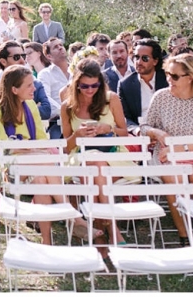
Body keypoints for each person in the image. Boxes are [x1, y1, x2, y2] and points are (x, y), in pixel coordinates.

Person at [139, 54, 193, 247]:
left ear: (190, 77)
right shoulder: (161, 97)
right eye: (168, 74)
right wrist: (156, 132)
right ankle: (185, 237)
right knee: (174, 178)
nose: (169, 79)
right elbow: (145, 127)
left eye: (175, 76)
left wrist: (180, 148)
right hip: (167, 156)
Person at [0, 65, 71, 245]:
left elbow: (42, 139)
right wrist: (29, 147)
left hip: (34, 162)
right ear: (14, 89)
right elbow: (3, 144)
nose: (35, 89)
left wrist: (24, 146)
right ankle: (72, 216)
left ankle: (47, 240)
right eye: (29, 85)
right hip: (6, 165)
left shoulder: (31, 105)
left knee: (40, 180)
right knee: (45, 163)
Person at [61, 58, 129, 248]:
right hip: (80, 156)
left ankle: (98, 232)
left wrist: (108, 129)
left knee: (95, 167)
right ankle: (111, 227)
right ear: (76, 84)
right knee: (94, 164)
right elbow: (66, 147)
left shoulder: (111, 99)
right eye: (85, 86)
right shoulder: (67, 106)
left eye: (94, 85)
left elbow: (125, 133)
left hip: (112, 156)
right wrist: (77, 135)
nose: (90, 90)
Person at [118, 38, 168, 127]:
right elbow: (124, 118)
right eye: (136, 57)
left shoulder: (168, 79)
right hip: (141, 132)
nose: (139, 62)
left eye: (145, 58)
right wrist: (137, 131)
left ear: (155, 61)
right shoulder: (125, 85)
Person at [38, 37, 71, 139]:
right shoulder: (45, 74)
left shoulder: (76, 70)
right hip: (57, 122)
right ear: (49, 56)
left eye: (61, 45)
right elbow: (46, 98)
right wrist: (64, 111)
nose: (60, 48)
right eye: (55, 47)